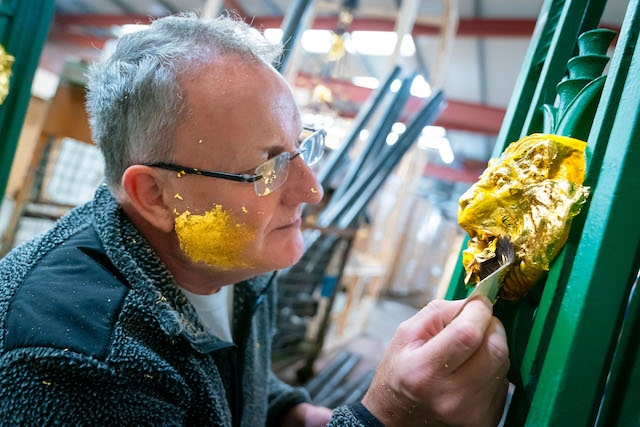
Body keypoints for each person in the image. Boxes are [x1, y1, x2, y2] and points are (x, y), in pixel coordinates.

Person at [0, 12, 509, 426]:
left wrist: (298, 415)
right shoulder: (79, 363)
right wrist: (385, 417)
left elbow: (238, 389)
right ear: (155, 195)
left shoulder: (226, 257)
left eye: (301, 149)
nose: (311, 189)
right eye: (269, 168)